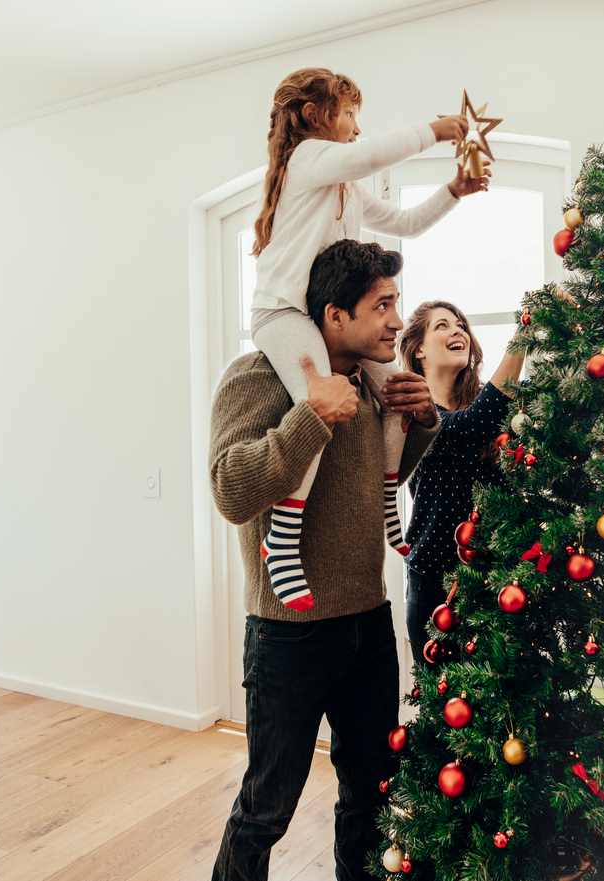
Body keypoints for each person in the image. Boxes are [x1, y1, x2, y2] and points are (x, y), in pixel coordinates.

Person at [210, 239, 439, 881]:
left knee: (371, 794)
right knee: (267, 807)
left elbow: (370, 486)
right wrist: (309, 418)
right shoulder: (256, 378)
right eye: (383, 305)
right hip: (289, 634)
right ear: (334, 316)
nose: (399, 320)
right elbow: (231, 489)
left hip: (369, 624)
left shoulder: (372, 386)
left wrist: (420, 423)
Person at [250, 66, 489, 611]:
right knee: (324, 401)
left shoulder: (346, 189)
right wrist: (437, 129)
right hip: (283, 313)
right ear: (316, 117)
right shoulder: (306, 160)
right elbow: (366, 155)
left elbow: (405, 222)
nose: (358, 127)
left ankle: (388, 506)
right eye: (351, 114)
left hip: (320, 316)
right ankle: (282, 537)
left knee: (399, 393)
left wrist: (454, 190)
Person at [397, 300, 525, 665]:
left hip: (499, 576)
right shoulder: (414, 410)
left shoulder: (493, 406)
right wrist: (524, 334)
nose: (457, 331)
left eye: (461, 325)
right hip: (436, 583)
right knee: (445, 706)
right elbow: (467, 428)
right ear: (419, 348)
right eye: (442, 326)